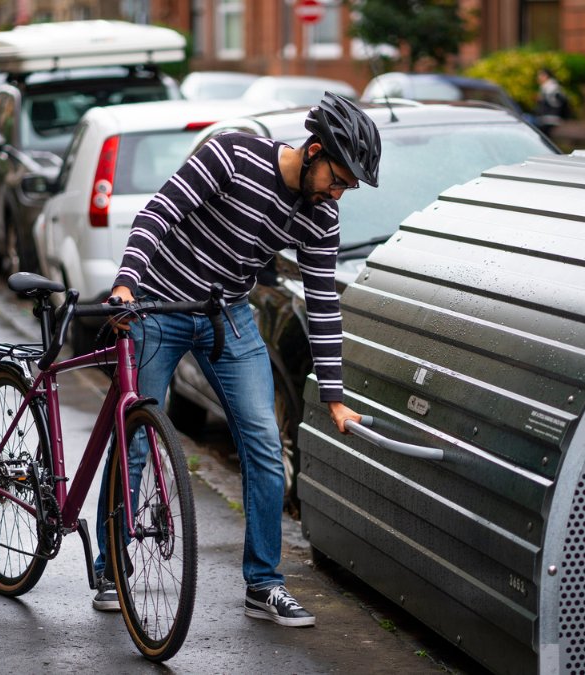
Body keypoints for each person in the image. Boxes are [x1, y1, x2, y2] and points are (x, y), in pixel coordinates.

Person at [90, 91, 381, 628]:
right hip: (158, 303)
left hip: (226, 313)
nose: (340, 193)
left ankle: (264, 584)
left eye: (348, 187)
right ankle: (111, 565)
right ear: (314, 151)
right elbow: (158, 213)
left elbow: (322, 308)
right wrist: (128, 282)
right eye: (338, 179)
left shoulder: (320, 217)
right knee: (135, 437)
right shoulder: (232, 155)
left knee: (266, 444)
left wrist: (335, 398)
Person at [534, 67, 569, 138]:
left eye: (540, 75)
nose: (538, 77)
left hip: (550, 118)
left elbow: (555, 102)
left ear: (546, 76)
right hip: (547, 118)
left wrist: (541, 99)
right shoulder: (549, 87)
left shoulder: (550, 87)